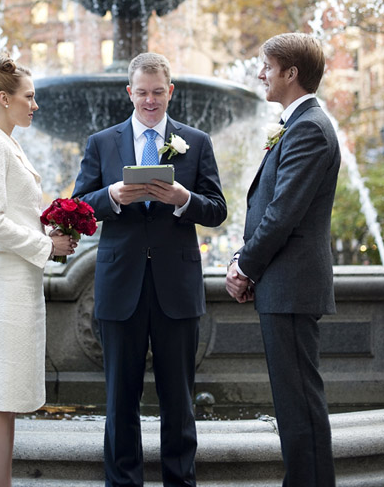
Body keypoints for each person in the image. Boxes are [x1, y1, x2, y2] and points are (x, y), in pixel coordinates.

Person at [72, 52, 227, 487]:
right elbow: (78, 206)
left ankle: (181, 482)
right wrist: (113, 195)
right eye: (142, 92)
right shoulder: (102, 142)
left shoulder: (195, 141)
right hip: (120, 286)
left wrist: (182, 199)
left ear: (170, 91)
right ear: (129, 93)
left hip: (176, 287)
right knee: (121, 401)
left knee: (179, 400)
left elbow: (217, 210)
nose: (150, 100)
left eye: (158, 92)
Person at [226, 33, 341, 487]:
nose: (260, 74)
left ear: (291, 73)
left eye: (267, 67)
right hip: (284, 284)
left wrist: (243, 266)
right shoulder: (298, 123)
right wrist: (246, 260)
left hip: (291, 287)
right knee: (295, 404)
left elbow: (282, 214)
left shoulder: (309, 127)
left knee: (300, 407)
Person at [0, 54, 76, 487]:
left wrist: (52, 229)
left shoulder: (5, 142)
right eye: (29, 98)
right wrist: (46, 245)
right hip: (6, 281)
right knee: (0, 394)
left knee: (7, 393)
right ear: (3, 98)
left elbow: (14, 213)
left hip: (19, 279)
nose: (35, 105)